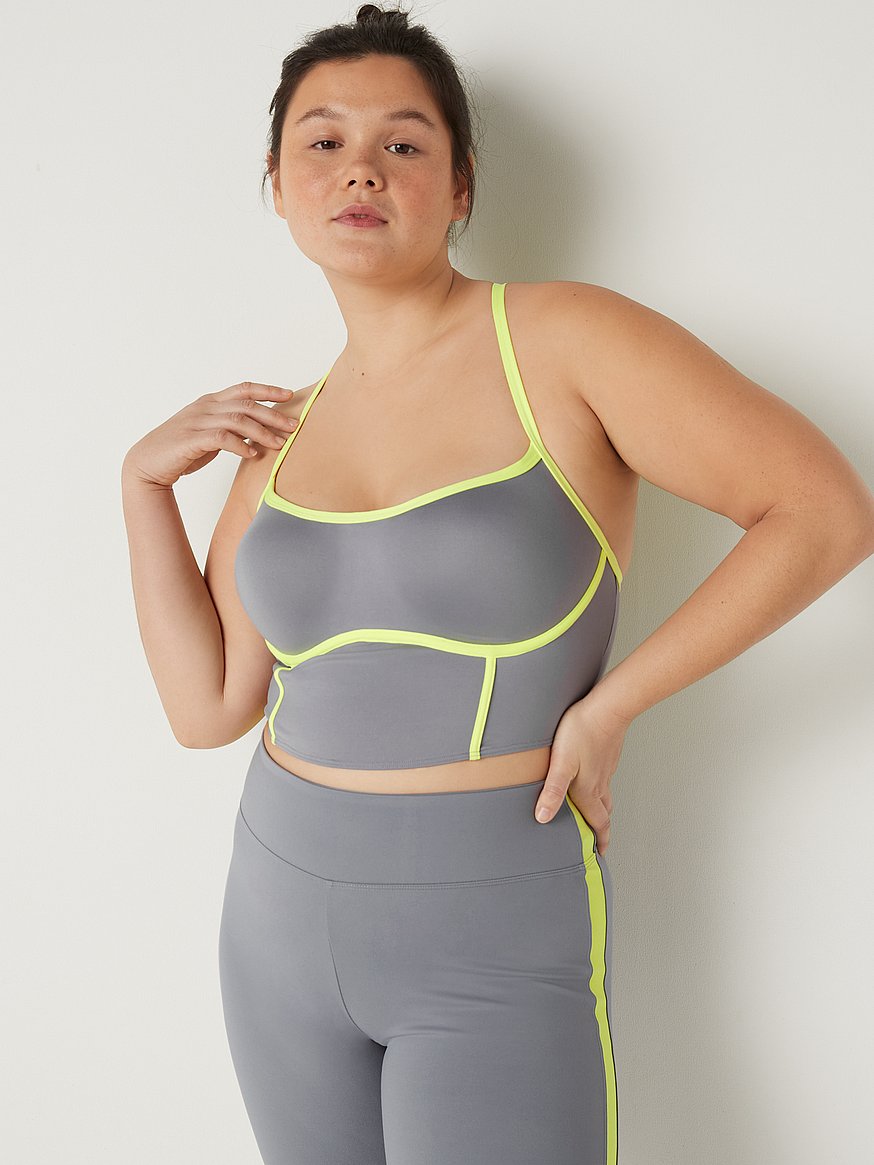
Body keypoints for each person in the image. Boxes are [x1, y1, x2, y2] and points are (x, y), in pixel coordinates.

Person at [120, 6, 874, 1164]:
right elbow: (208, 704)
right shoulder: (283, 431)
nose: (359, 167)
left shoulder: (563, 340)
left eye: (402, 142)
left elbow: (822, 512)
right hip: (273, 915)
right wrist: (140, 486)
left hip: (492, 913)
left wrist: (612, 706)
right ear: (276, 185)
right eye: (321, 141)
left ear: (459, 185)